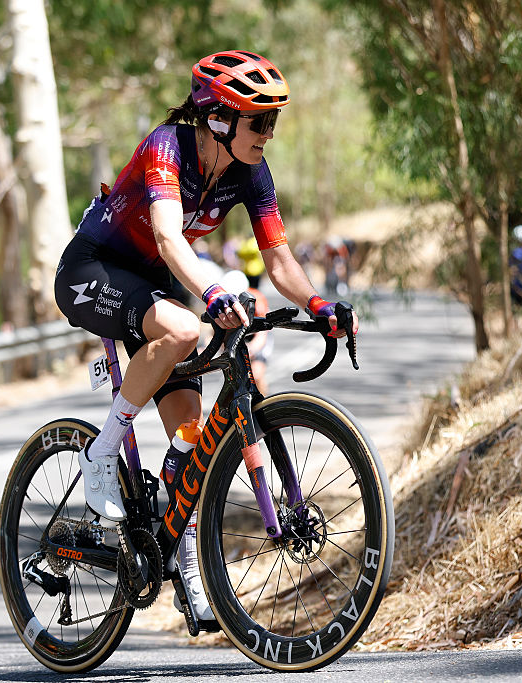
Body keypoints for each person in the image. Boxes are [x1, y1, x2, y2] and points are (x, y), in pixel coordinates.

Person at [54, 50, 356, 620]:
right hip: (92, 268)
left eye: (273, 121)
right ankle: (101, 455)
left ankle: (186, 568)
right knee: (186, 327)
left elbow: (279, 257)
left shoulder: (249, 170)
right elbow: (169, 239)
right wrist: (214, 293)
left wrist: (319, 303)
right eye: (258, 120)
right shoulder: (166, 144)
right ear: (219, 118)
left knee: (189, 443)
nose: (268, 133)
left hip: (151, 281)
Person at [223, 268, 272, 395]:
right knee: (236, 379)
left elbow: (262, 334)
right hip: (239, 333)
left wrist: (253, 349)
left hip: (259, 333)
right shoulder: (223, 300)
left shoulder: (257, 299)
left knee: (256, 375)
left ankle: (264, 404)